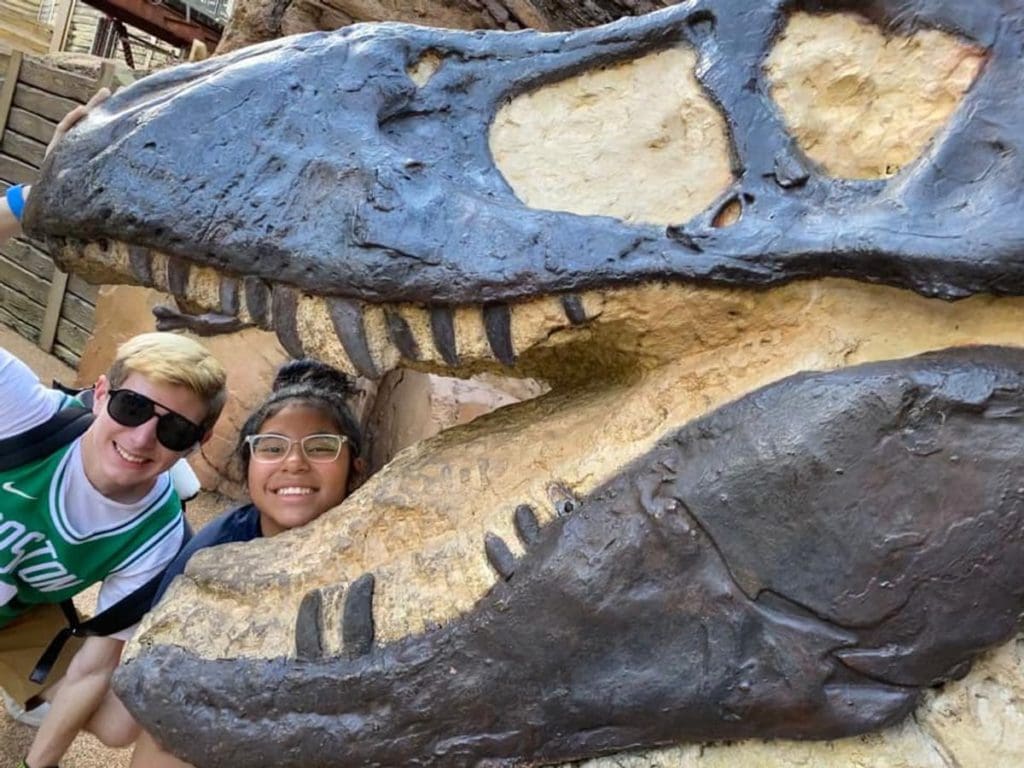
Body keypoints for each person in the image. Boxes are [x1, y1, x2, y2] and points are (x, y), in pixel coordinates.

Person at [1, 92, 229, 768]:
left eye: (175, 432)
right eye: (132, 410)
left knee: (123, 716)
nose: (141, 440)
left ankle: (26, 692)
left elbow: (100, 663)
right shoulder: (25, 413)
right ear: (101, 394)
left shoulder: (159, 530)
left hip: (16, 614)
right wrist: (33, 200)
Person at [129, 358, 365, 768]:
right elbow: (159, 661)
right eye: (272, 448)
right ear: (247, 466)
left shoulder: (377, 547)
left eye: (322, 446)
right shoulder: (215, 553)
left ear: (355, 470)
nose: (294, 462)